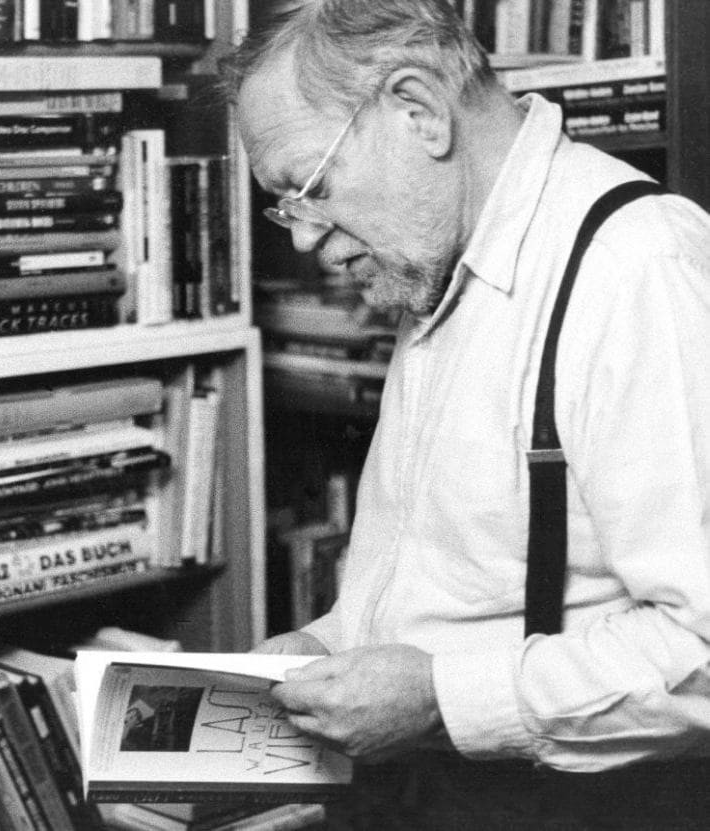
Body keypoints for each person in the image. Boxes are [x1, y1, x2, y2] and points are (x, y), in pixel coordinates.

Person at [222, 0, 710, 826]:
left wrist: (440, 696)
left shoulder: (639, 270)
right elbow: (460, 586)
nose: (304, 240)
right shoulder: (442, 258)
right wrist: (328, 650)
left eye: (308, 187)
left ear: (418, 112)